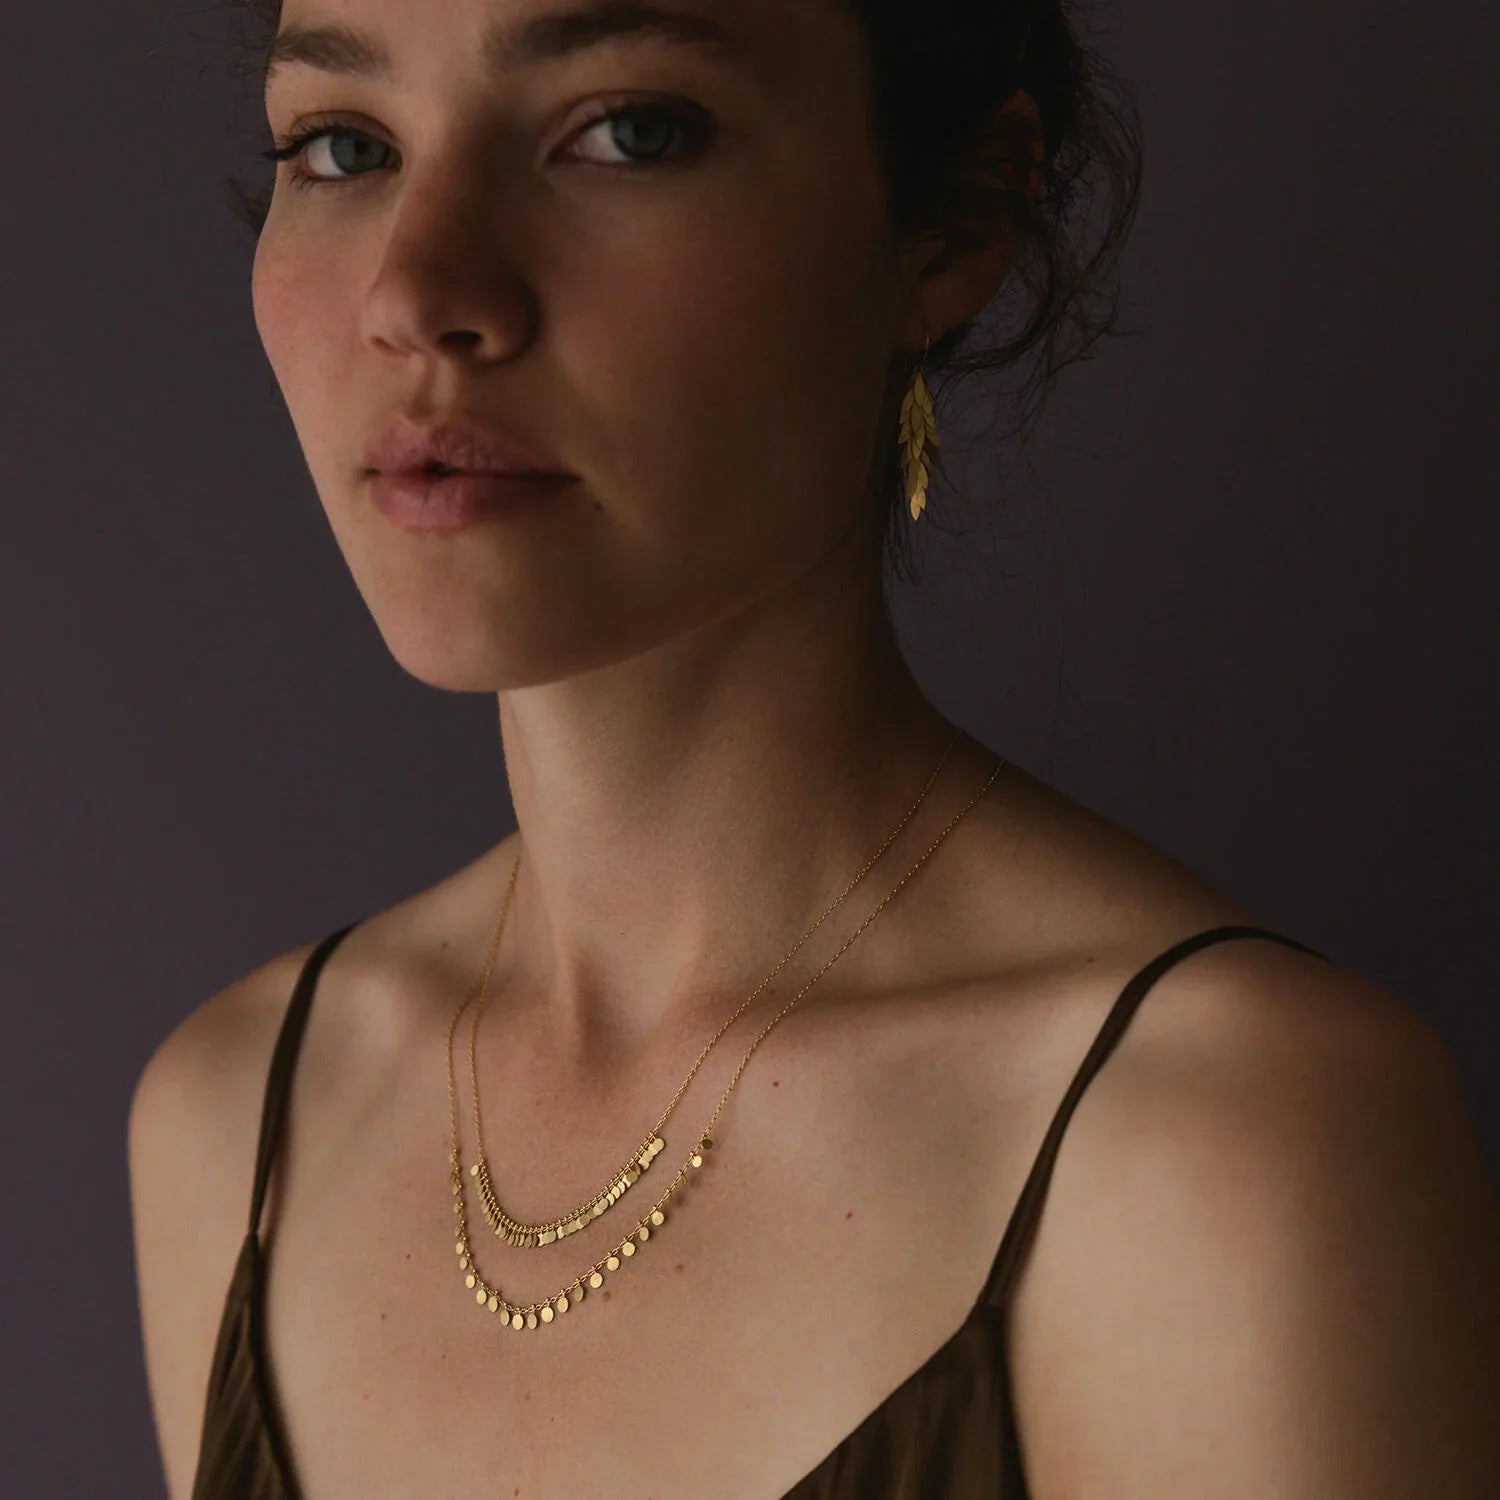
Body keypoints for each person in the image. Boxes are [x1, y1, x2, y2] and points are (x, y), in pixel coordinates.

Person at [128, 1, 1500, 1497]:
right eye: (344, 146)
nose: (421, 290)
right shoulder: (236, 1122)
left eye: (629, 131)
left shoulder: (1224, 1147)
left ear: (954, 226)